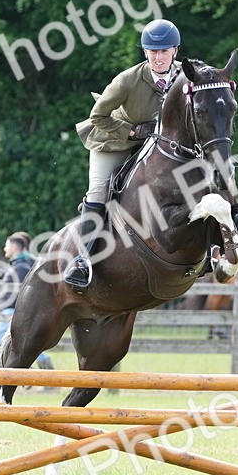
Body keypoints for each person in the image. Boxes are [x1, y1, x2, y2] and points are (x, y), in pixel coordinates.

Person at [64, 18, 182, 289]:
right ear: (145, 53)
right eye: (153, 51)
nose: (158, 56)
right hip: (115, 139)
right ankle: (83, 261)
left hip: (158, 142)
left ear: (175, 50)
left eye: (164, 50)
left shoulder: (182, 76)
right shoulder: (127, 80)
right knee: (98, 191)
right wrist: (131, 132)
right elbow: (98, 116)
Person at [0, 232, 54, 370]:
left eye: (7, 245)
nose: (5, 248)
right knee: (27, 343)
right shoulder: (23, 263)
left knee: (0, 341)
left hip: (12, 310)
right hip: (15, 309)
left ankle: (0, 376)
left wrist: (1, 295)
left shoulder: (21, 266)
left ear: (15, 247)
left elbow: (21, 290)